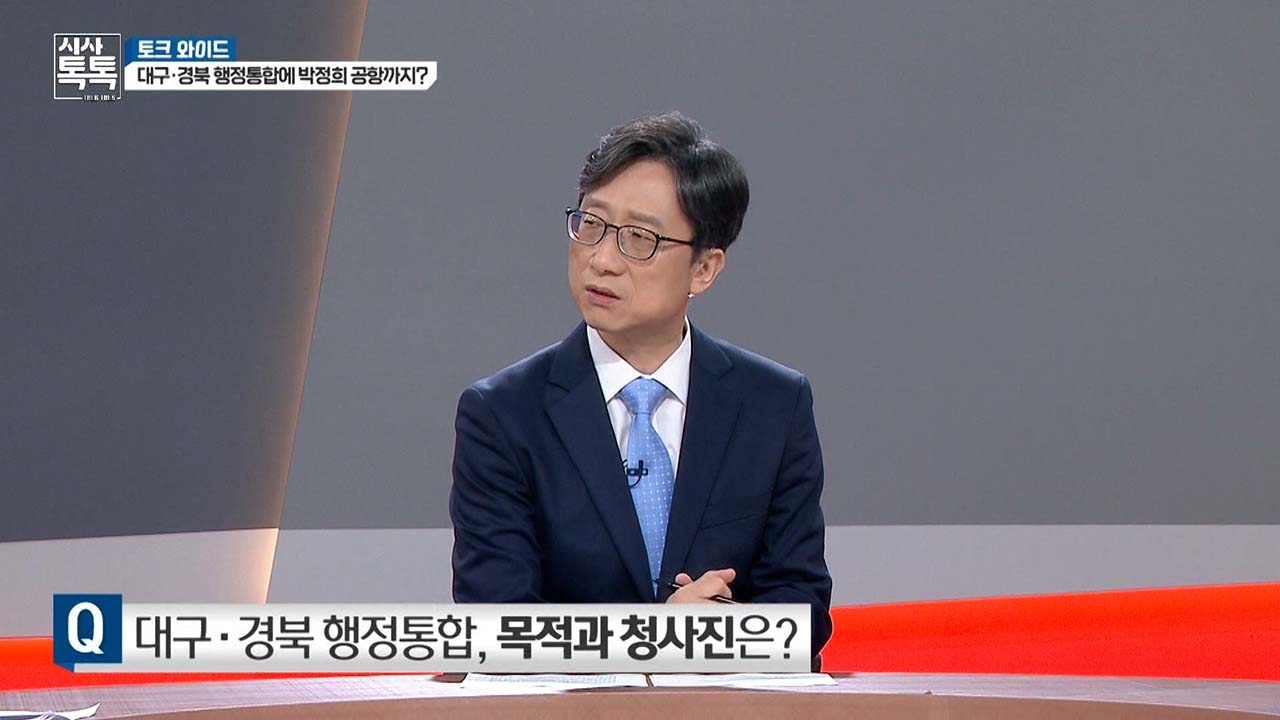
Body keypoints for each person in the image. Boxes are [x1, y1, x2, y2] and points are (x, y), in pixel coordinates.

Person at [449, 111, 832, 657]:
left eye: (640, 238)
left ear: (704, 269)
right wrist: (661, 637)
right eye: (591, 224)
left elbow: (804, 611)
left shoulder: (774, 405)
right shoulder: (503, 415)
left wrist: (722, 634)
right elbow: (496, 626)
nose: (602, 259)